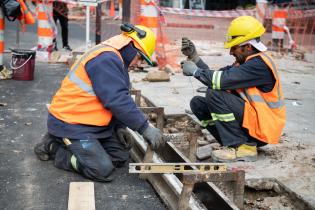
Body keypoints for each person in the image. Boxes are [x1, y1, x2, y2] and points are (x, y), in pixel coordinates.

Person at [34, 23, 165, 182]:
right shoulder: (106, 59)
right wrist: (144, 128)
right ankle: (54, 148)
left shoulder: (115, 58)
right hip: (71, 123)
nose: (137, 63)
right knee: (101, 169)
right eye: (140, 57)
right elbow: (116, 99)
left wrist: (118, 127)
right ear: (131, 47)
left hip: (90, 123)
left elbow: (113, 97)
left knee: (119, 157)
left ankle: (75, 147)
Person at [181, 16, 286, 162]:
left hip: (261, 130)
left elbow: (220, 81)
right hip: (252, 126)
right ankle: (231, 143)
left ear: (248, 47)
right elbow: (218, 76)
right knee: (197, 103)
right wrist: (195, 58)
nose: (231, 52)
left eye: (234, 47)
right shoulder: (245, 63)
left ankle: (242, 147)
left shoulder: (259, 65)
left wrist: (195, 72)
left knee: (214, 93)